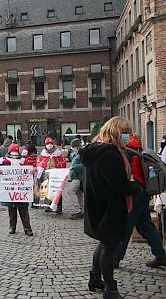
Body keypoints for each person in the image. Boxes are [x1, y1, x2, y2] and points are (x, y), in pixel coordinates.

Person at [79, 116, 133, 299]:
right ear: (116, 132)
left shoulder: (95, 150)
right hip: (109, 207)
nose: (128, 136)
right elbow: (119, 185)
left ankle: (95, 278)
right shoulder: (109, 153)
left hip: (98, 205)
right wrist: (137, 187)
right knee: (109, 247)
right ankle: (110, 289)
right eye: (125, 133)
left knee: (104, 243)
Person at [114, 134, 166, 269]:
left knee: (126, 226)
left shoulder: (126, 152)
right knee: (146, 225)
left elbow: (128, 176)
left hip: (135, 194)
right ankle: (161, 255)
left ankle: (115, 258)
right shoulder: (137, 149)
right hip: (143, 192)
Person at [0, 143, 33, 236]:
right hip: (9, 193)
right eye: (13, 151)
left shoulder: (24, 161)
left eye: (16, 151)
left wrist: (31, 172)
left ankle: (27, 228)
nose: (14, 153)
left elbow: (30, 172)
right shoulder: (2, 161)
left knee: (24, 211)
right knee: (11, 211)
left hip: (22, 192)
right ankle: (12, 227)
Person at [36, 137, 66, 214]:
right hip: (47, 174)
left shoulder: (58, 153)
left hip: (56, 175)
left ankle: (58, 207)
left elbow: (62, 163)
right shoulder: (43, 154)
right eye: (47, 144)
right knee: (48, 191)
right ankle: (48, 206)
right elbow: (39, 163)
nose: (49, 145)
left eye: (50, 144)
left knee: (57, 191)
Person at [68, 143, 84, 220]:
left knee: (71, 191)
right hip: (76, 177)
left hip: (77, 177)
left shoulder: (80, 155)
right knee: (79, 193)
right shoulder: (76, 155)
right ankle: (82, 209)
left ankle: (78, 210)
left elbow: (83, 166)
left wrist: (74, 167)